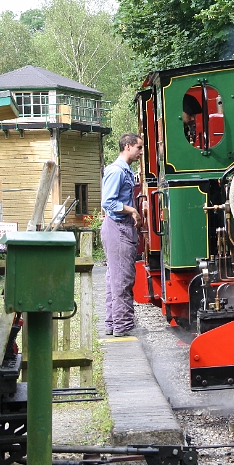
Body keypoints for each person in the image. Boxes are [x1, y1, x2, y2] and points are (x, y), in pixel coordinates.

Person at [101, 133, 144, 337]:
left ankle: (114, 323)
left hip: (119, 228)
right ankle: (123, 326)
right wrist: (132, 210)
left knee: (114, 279)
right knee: (122, 280)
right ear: (128, 147)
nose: (140, 152)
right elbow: (108, 202)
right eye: (139, 148)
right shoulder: (117, 171)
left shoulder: (123, 171)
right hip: (118, 229)